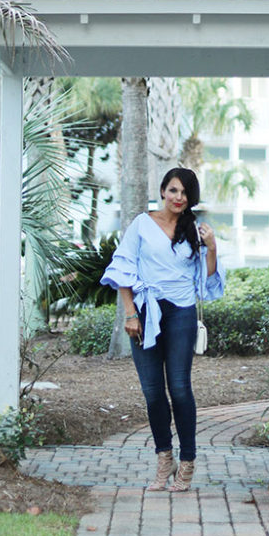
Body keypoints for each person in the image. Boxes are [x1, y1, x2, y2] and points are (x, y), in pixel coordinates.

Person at [100, 166, 225, 492]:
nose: (178, 197)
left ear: (190, 197)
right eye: (173, 190)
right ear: (163, 191)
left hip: (181, 313)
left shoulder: (194, 230)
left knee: (180, 388)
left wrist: (211, 247)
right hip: (145, 312)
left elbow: (207, 280)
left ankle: (188, 463)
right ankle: (163, 458)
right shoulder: (142, 224)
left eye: (184, 193)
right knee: (153, 391)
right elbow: (123, 268)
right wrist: (130, 314)